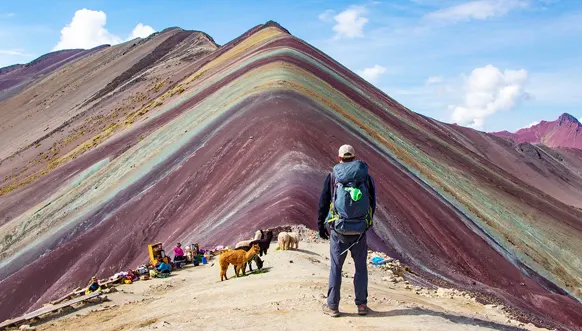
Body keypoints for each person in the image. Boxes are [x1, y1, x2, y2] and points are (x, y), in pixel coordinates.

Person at [318, 144, 376, 317]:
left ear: (340, 158)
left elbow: (323, 202)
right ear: (354, 157)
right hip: (359, 230)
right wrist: (366, 223)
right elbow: (372, 202)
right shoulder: (366, 177)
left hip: (339, 230)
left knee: (336, 267)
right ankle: (362, 306)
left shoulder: (333, 176)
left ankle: (333, 307)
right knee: (360, 268)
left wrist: (321, 225)